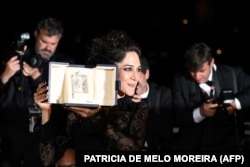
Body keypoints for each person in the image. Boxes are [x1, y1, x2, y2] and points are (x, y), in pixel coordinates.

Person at [34, 30, 148, 166]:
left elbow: (134, 151)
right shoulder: (79, 103)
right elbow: (48, 160)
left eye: (138, 69)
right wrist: (46, 111)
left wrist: (96, 118)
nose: (135, 77)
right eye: (128, 69)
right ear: (109, 69)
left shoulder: (137, 107)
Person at [0, 17, 74, 167]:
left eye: (53, 44)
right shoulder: (17, 57)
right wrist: (5, 75)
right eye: (44, 42)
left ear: (59, 40)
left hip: (43, 133)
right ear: (36, 35)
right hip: (12, 131)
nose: (48, 47)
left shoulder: (64, 64)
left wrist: (37, 77)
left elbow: (61, 101)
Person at [172, 42, 250, 151]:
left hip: (230, 146)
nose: (197, 77)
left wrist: (236, 103)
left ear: (212, 62)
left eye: (202, 71)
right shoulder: (180, 81)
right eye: (192, 71)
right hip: (195, 149)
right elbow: (177, 116)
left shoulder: (233, 73)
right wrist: (200, 112)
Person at [135, 56, 174, 151]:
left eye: (137, 74)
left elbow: (167, 130)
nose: (133, 80)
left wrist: (144, 110)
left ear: (146, 74)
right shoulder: (122, 96)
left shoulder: (163, 94)